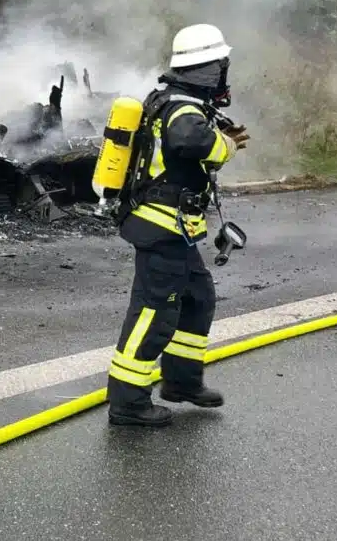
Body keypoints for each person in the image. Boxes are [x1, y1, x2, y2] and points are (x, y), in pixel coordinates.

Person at [107, 23, 250, 427]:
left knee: (197, 297)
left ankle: (181, 382)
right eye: (220, 66)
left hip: (175, 227)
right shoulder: (184, 109)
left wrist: (218, 134)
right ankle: (128, 403)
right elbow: (190, 142)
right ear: (208, 69)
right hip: (161, 225)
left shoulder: (175, 100)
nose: (224, 74)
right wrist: (228, 145)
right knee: (154, 312)